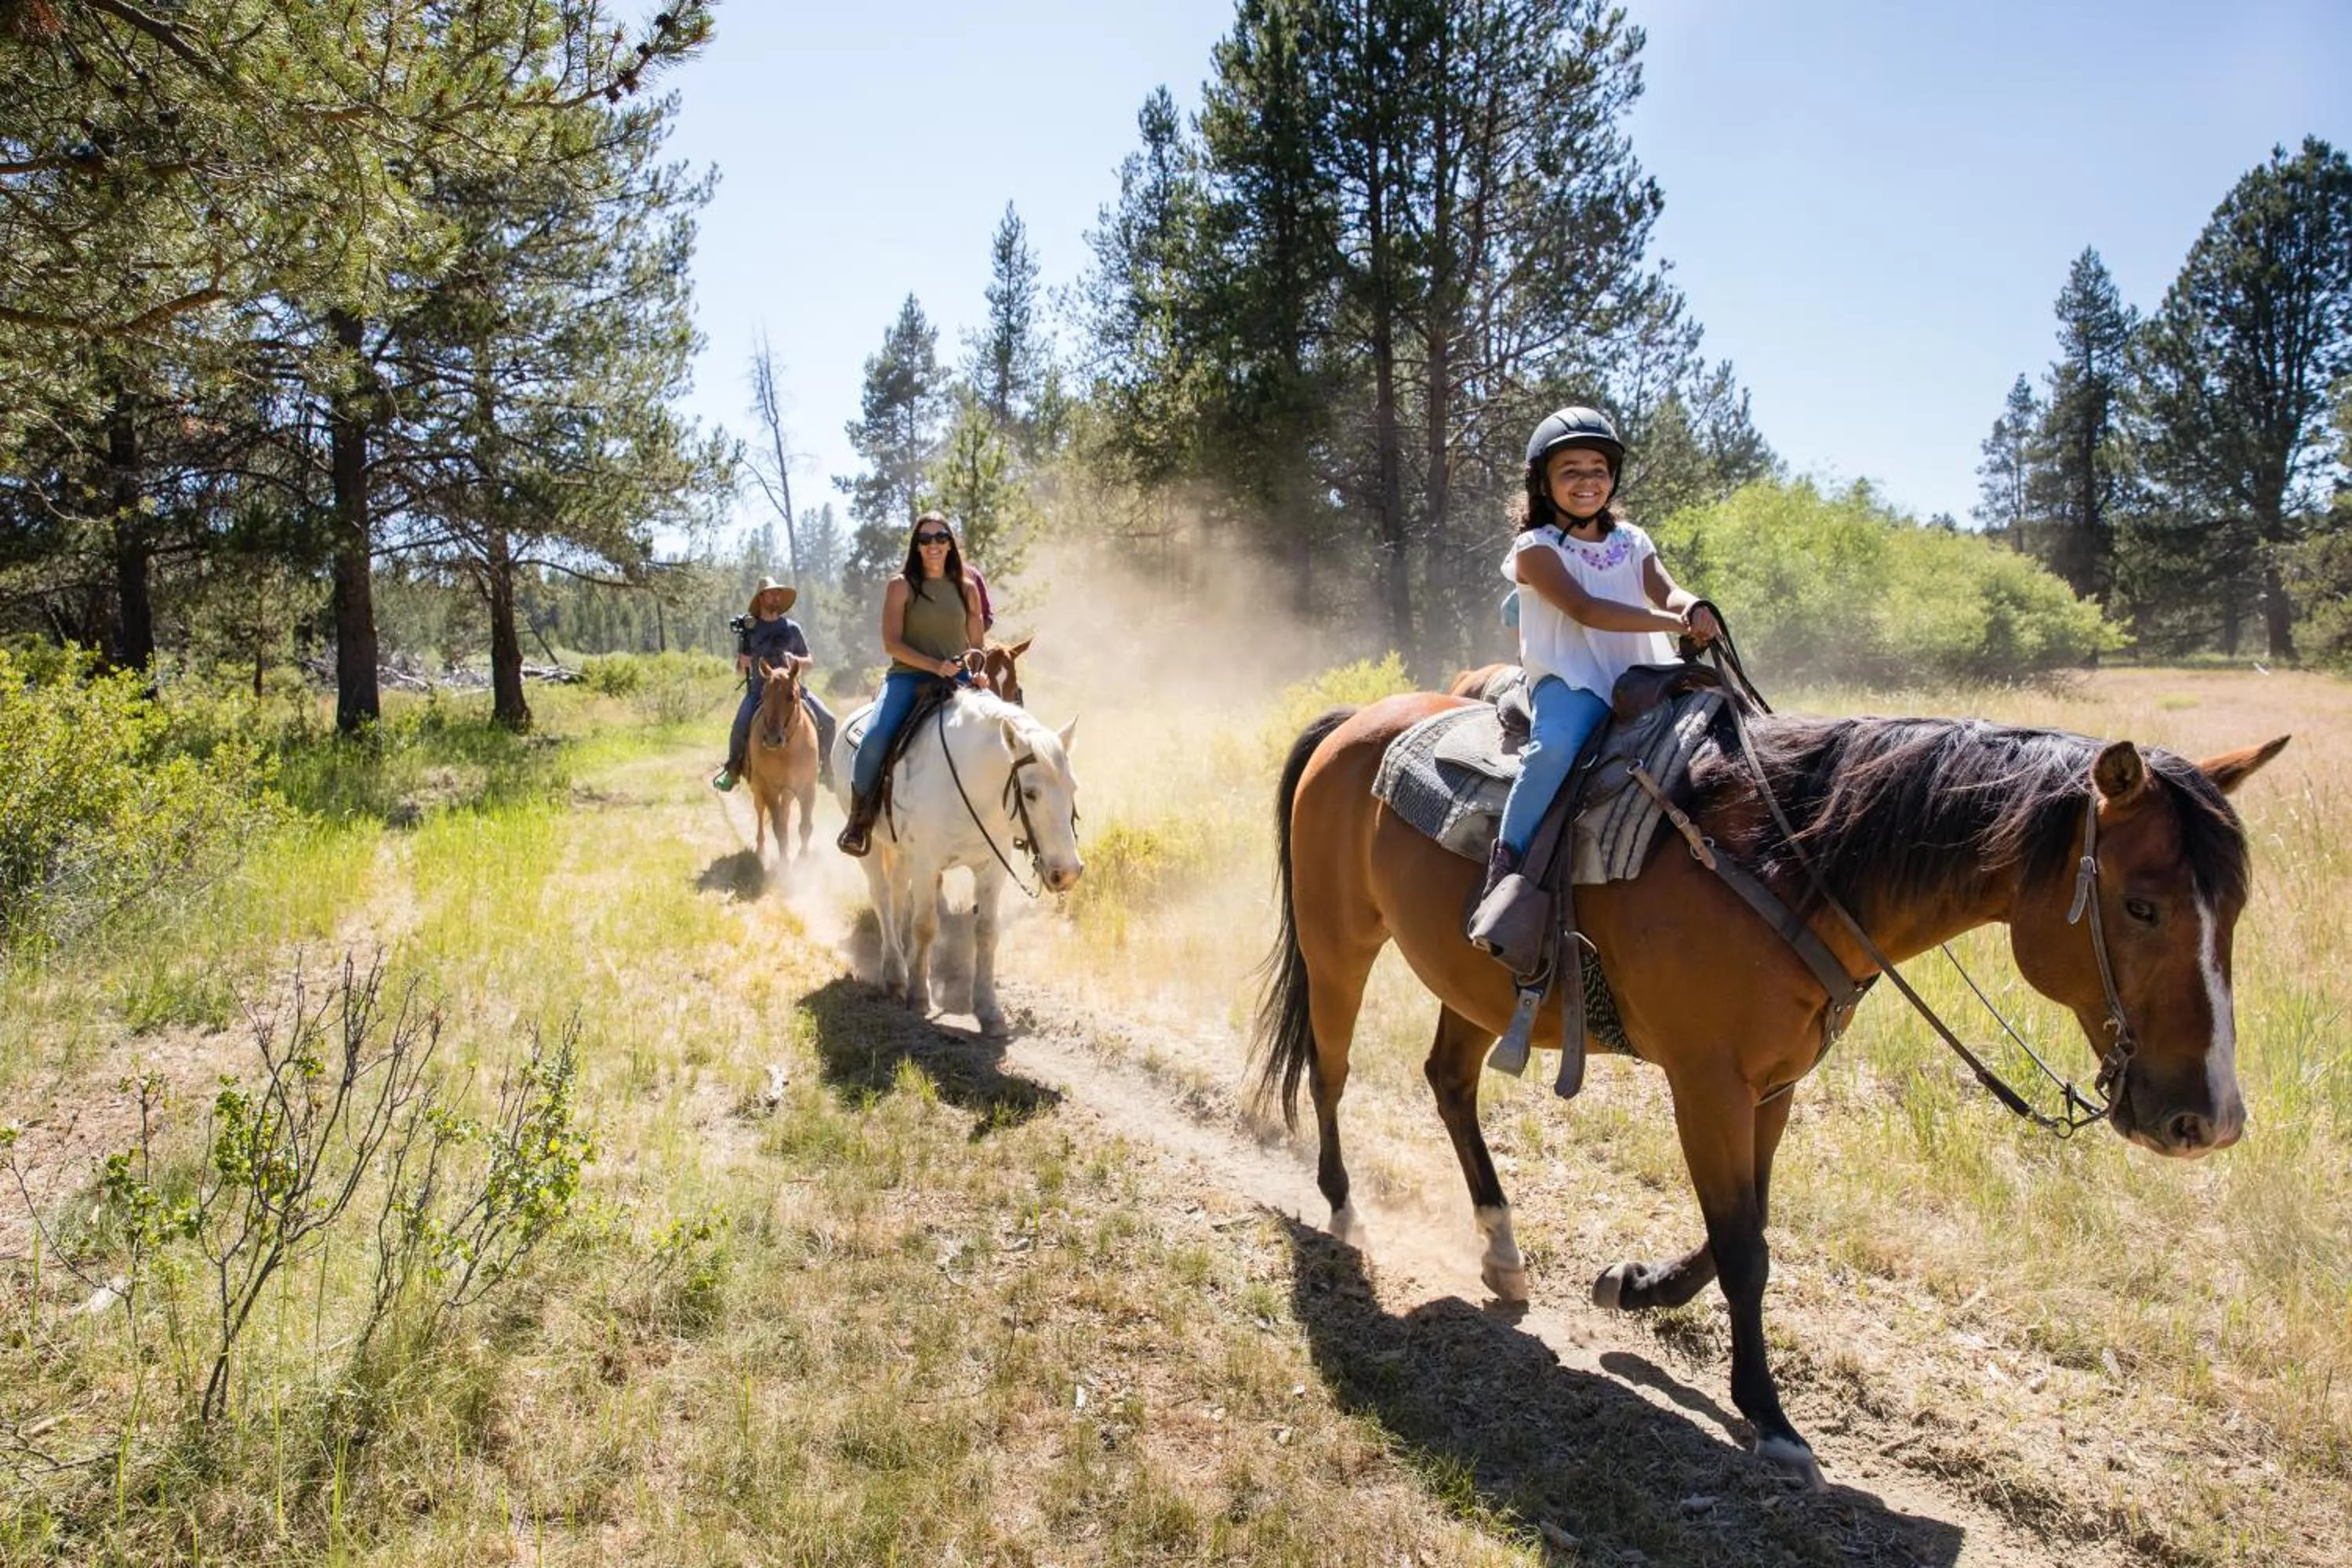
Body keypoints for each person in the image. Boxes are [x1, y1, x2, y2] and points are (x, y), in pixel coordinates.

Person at [1483, 406, 1721, 900]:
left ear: (1611, 478)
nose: (1587, 481)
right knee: (1553, 750)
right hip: (1573, 680)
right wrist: (1670, 621)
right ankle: (1506, 868)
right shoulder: (1534, 548)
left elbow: (1665, 590)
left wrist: (1693, 606)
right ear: (1543, 483)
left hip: (1641, 674)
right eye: (1570, 471)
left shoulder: (1632, 540)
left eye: (1598, 470)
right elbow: (1586, 609)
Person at [836, 513, 990, 857]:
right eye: (925, 539)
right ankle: (859, 821)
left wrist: (979, 671)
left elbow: (977, 645)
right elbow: (891, 644)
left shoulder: (967, 589)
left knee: (1004, 731)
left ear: (950, 542)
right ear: (916, 546)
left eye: (940, 537)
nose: (933, 545)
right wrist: (935, 665)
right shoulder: (900, 586)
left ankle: (1013, 820)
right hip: (908, 677)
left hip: (959, 678)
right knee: (875, 740)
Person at [713, 576, 837, 793]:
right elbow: (740, 670)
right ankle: (732, 770)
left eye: (778, 593)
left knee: (828, 719)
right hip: (760, 692)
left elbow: (810, 661)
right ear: (761, 598)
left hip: (792, 692)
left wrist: (795, 661)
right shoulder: (749, 631)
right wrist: (741, 663)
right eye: (772, 593)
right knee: (740, 724)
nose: (776, 597)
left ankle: (826, 769)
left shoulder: (792, 628)